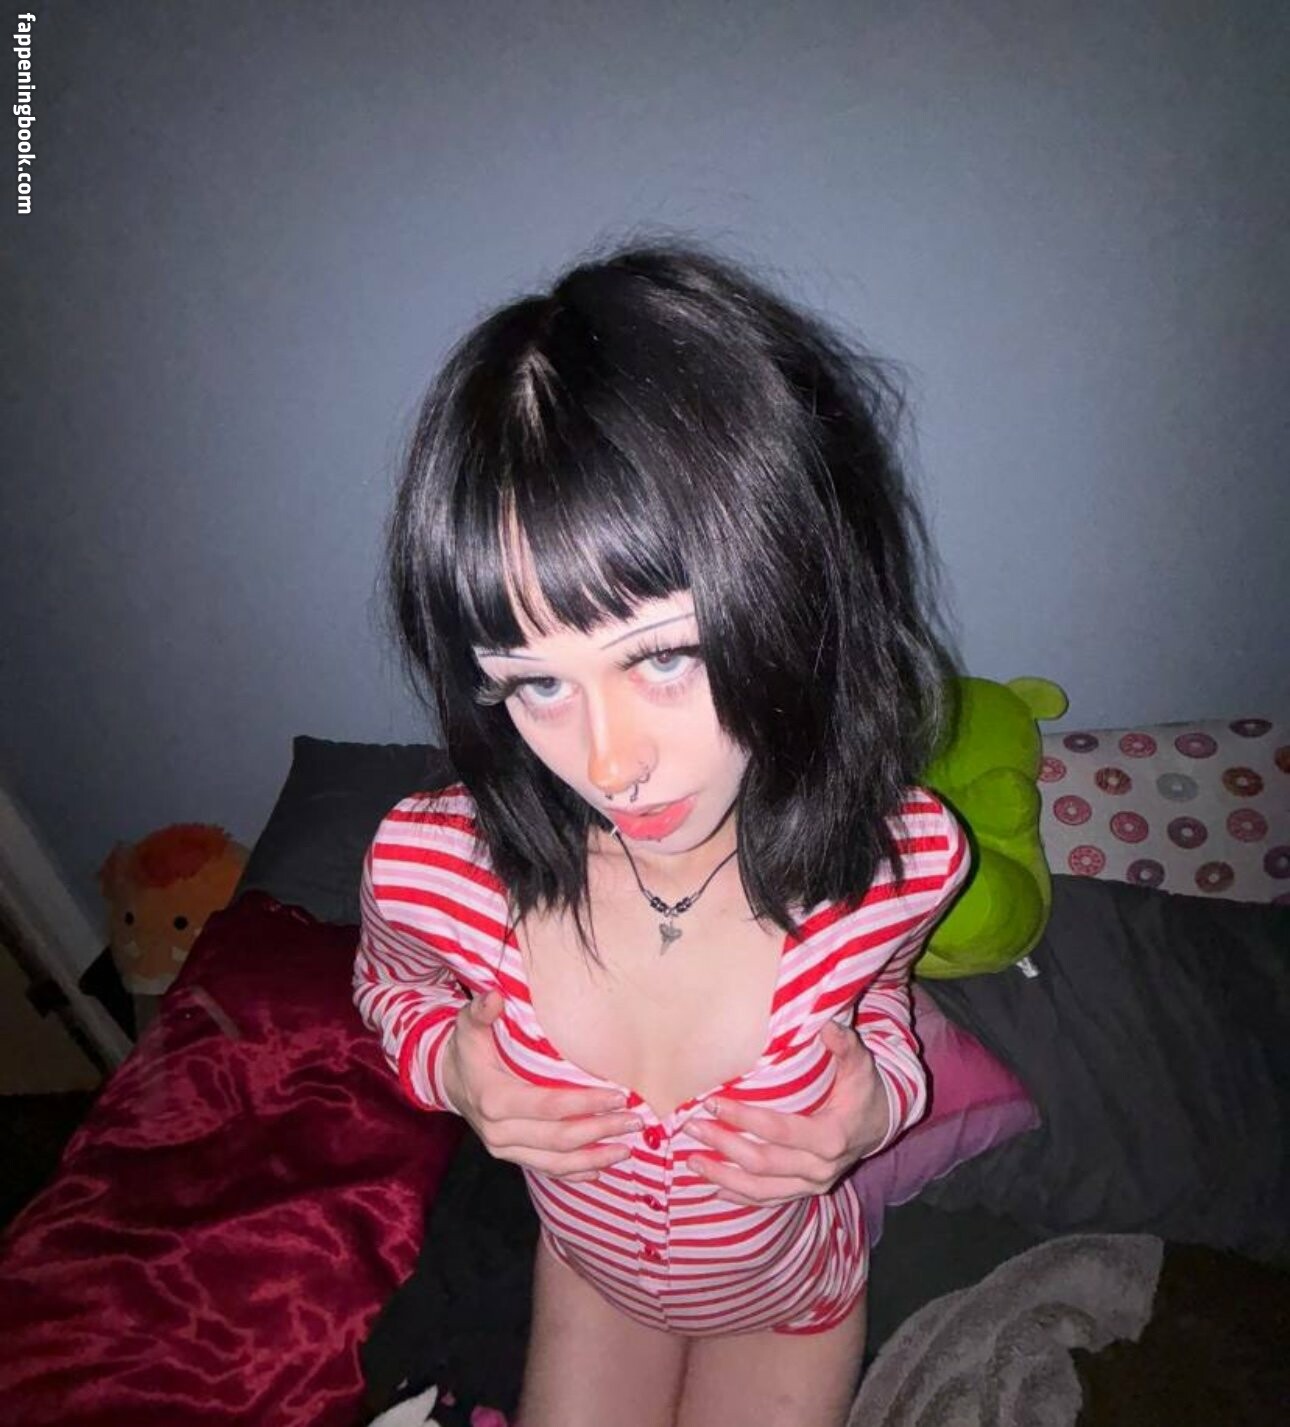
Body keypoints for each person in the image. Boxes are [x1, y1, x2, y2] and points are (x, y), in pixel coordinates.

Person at [353, 243, 970, 1427]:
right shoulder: (429, 868)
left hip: (791, 1295)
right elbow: (390, 989)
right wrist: (446, 1064)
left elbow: (883, 1004)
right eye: (536, 682)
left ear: (794, 591)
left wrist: (879, 1104)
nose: (607, 762)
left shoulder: (904, 858)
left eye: (666, 657)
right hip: (592, 1281)